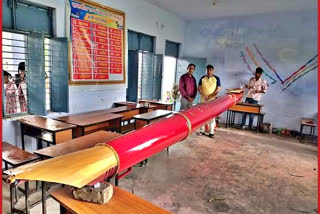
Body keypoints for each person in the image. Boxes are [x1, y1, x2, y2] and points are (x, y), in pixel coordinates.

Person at [197, 64, 221, 138]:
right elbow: (199, 88)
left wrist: (210, 96)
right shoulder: (202, 78)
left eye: (210, 70)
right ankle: (202, 131)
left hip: (212, 100)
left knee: (211, 117)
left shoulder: (216, 78)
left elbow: (218, 89)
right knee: (202, 116)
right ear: (206, 70)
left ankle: (211, 132)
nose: (209, 71)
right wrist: (204, 95)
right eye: (207, 70)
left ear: (213, 70)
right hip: (203, 99)